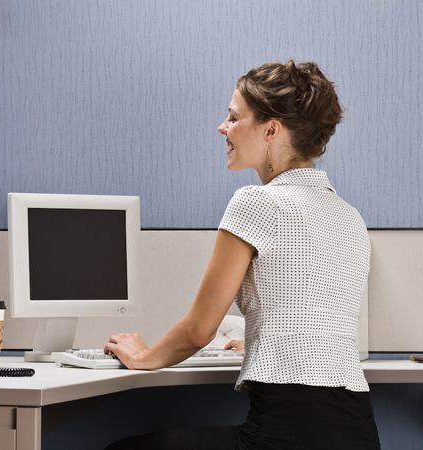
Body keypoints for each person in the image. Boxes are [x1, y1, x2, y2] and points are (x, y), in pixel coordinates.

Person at [105, 60, 380, 450]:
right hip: (358, 431)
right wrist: (260, 343)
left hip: (285, 435)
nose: (223, 127)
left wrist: (143, 357)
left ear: (271, 129)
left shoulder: (256, 203)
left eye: (234, 118)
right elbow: (311, 319)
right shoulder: (349, 216)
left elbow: (198, 331)